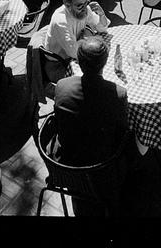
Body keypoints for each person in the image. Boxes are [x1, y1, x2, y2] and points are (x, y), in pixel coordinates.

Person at [53, 37, 130, 215]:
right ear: (105, 63)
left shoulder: (62, 86)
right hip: (101, 168)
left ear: (78, 62)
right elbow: (122, 132)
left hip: (68, 163)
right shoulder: (117, 94)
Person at [44, 0, 109, 73]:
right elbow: (73, 52)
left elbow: (102, 29)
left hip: (75, 54)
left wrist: (101, 14)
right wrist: (87, 40)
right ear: (68, 5)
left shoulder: (85, 9)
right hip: (59, 63)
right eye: (80, 5)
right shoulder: (61, 21)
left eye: (86, 2)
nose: (85, 8)